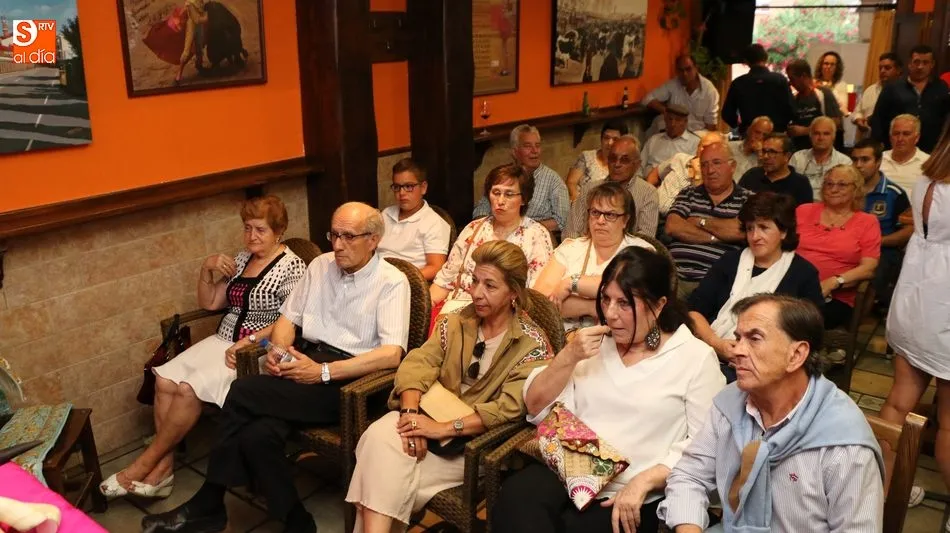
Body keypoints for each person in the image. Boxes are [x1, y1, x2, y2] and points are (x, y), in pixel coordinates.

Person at [140, 202, 410, 533]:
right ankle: (297, 522)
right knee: (257, 435)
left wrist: (323, 372)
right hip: (306, 361)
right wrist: (279, 351)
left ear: (373, 239)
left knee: (242, 390)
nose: (338, 245)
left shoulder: (392, 281)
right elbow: (287, 319)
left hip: (351, 381)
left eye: (348, 237)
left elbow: (391, 355)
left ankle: (208, 503)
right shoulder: (320, 266)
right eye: (334, 235)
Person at [492, 246, 725, 533]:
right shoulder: (593, 343)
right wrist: (568, 356)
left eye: (624, 303)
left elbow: (705, 444)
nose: (610, 314)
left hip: (633, 487)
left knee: (579, 528)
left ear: (659, 305)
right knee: (514, 500)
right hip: (571, 465)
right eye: (605, 299)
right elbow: (535, 405)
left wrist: (647, 480)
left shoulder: (694, 357)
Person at [98, 196, 307, 499]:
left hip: (258, 349)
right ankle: (163, 471)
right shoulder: (242, 259)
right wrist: (206, 270)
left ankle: (142, 466)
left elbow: (291, 319)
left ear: (279, 231)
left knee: (187, 388)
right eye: (247, 228)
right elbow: (210, 302)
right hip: (221, 340)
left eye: (260, 229)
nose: (251, 236)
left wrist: (248, 342)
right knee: (164, 380)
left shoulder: (293, 266)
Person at [346, 240, 554, 533]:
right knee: (377, 439)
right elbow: (418, 363)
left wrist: (442, 429)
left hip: (475, 446)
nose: (476, 292)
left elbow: (509, 408)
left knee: (378, 475)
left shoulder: (531, 345)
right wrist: (410, 416)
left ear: (514, 293)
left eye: (490, 286)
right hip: (427, 418)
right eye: (475, 280)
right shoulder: (458, 321)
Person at [658, 294, 884, 533]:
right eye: (738, 338)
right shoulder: (729, 404)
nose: (737, 350)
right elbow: (689, 476)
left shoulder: (844, 445)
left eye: (754, 339)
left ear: (796, 355)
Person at [881, 129, 950, 524]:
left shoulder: (927, 176)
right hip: (944, 309)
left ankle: (882, 491)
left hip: (914, 298)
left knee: (897, 402)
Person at [688, 192, 823, 382]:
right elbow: (694, 311)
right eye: (750, 228)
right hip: (707, 349)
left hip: (764, 368)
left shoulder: (803, 274)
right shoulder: (729, 261)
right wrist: (715, 343)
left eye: (764, 228)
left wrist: (748, 351)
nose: (755, 236)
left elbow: (810, 333)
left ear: (784, 232)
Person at [535, 182, 655, 332]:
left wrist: (570, 283)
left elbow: (628, 293)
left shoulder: (641, 251)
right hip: (564, 336)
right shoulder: (570, 249)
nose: (600, 220)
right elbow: (541, 304)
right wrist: (593, 306)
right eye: (595, 213)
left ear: (626, 220)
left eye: (610, 215)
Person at [434, 164, 553, 315]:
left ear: (523, 199)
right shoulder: (474, 228)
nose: (500, 201)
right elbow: (445, 280)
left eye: (509, 194)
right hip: (458, 309)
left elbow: (536, 295)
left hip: (506, 315)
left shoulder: (536, 235)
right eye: (496, 193)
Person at [796, 165, 881, 331]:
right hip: (793, 286)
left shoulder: (867, 222)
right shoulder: (803, 211)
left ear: (856, 189)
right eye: (829, 184)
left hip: (834, 297)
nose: (833, 189)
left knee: (794, 319)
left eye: (842, 185)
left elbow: (869, 268)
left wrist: (835, 281)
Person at [665, 142, 752, 299]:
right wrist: (718, 237)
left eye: (716, 163)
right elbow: (672, 226)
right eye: (704, 165)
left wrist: (701, 221)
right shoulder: (689, 193)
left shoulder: (747, 199)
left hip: (717, 279)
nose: (710, 170)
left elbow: (740, 231)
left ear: (732, 166)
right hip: (674, 275)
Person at [474, 125, 570, 233]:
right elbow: (480, 212)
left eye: (537, 146)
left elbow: (562, 221)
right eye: (527, 146)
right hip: (498, 234)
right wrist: (493, 229)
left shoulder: (554, 181)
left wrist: (523, 229)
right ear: (515, 152)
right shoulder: (502, 177)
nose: (535, 151)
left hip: (533, 236)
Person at [852, 138, 912, 310]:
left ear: (878, 162)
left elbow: (908, 230)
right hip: (846, 245)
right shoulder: (844, 189)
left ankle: (859, 321)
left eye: (865, 160)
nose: (858, 165)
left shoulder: (894, 193)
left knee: (869, 280)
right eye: (855, 159)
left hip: (881, 250)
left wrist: (876, 241)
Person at [565, 135, 659, 239]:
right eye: (613, 158)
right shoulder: (589, 189)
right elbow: (571, 232)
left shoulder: (648, 194)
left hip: (628, 248)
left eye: (624, 160)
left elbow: (646, 238)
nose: (617, 164)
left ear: (637, 165)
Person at [378, 158, 451, 281]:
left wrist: (399, 279)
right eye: (397, 187)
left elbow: (436, 268)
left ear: (423, 188)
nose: (401, 193)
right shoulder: (386, 214)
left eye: (408, 186)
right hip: (376, 275)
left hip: (406, 281)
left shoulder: (435, 223)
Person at [872, 45, 950, 153]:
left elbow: (946, 119)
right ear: (909, 64)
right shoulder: (892, 88)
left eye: (925, 62)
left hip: (932, 151)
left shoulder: (941, 88)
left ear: (932, 64)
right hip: (896, 149)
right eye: (916, 62)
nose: (920, 67)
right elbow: (878, 119)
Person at [722, 44, 794, 137]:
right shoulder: (780, 80)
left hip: (750, 134)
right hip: (776, 133)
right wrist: (783, 125)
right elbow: (791, 108)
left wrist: (740, 126)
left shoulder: (739, 83)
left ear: (746, 61)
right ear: (766, 58)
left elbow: (727, 113)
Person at [643, 54, 720, 136]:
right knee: (657, 125)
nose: (684, 74)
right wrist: (667, 111)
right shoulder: (672, 84)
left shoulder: (710, 91)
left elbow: (711, 126)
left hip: (697, 135)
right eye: (681, 70)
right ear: (676, 71)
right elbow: (647, 99)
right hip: (673, 134)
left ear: (696, 68)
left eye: (688, 69)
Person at [653, 132, 725, 216]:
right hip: (651, 209)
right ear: (698, 147)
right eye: (703, 146)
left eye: (710, 148)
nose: (704, 151)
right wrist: (648, 192)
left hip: (676, 219)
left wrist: (698, 176)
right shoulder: (679, 158)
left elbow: (702, 209)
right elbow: (656, 172)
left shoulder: (716, 177)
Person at [738, 133, 814, 206]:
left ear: (787, 156)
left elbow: (805, 212)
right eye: (764, 151)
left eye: (772, 152)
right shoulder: (752, 175)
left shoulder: (800, 183)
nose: (766, 156)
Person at [785, 59, 843, 152]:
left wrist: (805, 130)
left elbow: (836, 122)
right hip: (799, 151)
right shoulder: (795, 98)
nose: (790, 83)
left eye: (792, 79)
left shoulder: (823, 93)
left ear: (803, 76)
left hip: (820, 150)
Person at [788, 116, 852, 198]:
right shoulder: (798, 158)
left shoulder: (844, 162)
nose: (821, 138)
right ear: (810, 135)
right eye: (816, 133)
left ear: (833, 136)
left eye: (826, 134)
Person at [565, 120, 629, 202]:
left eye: (615, 139)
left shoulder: (624, 166)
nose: (609, 143)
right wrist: (579, 201)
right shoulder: (586, 157)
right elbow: (571, 182)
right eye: (606, 138)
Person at [852, 52, 903, 139]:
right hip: (868, 140)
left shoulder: (904, 92)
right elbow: (858, 112)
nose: (882, 71)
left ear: (898, 70)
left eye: (887, 68)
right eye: (880, 68)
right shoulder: (870, 90)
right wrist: (859, 120)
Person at [640, 105, 700, 177]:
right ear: (665, 119)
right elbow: (640, 165)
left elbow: (693, 170)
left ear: (685, 122)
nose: (672, 124)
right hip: (647, 180)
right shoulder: (654, 140)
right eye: (670, 119)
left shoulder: (695, 143)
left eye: (677, 120)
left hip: (676, 181)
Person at [881, 114, 931, 197]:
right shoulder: (879, 159)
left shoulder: (928, 163)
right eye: (896, 134)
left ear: (917, 137)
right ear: (890, 137)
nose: (900, 139)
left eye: (906, 134)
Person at [728, 116, 773, 180]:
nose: (760, 137)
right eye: (757, 132)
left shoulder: (766, 159)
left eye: (765, 135)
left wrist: (760, 155)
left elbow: (764, 180)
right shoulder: (729, 147)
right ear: (748, 130)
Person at [814, 51, 849, 116]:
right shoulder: (813, 82)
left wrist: (827, 89)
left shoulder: (841, 85)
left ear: (837, 67)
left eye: (832, 64)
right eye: (826, 63)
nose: (829, 66)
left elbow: (843, 108)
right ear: (821, 65)